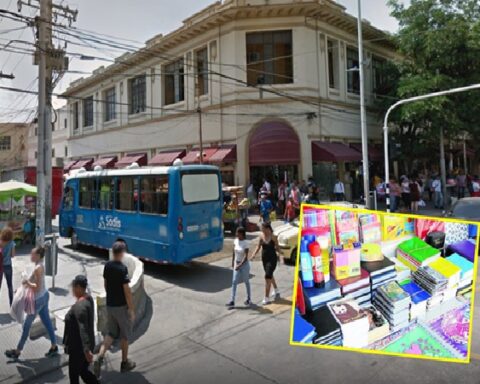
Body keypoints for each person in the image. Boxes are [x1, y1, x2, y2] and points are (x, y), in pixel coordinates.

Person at [5, 247, 58, 359]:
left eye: (33, 254)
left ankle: (18, 351)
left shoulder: (38, 268)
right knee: (47, 322)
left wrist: (27, 283)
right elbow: (33, 283)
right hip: (44, 296)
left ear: (38, 256)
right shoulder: (38, 266)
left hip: (38, 300)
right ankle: (54, 346)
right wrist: (21, 289)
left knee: (26, 325)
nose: (30, 256)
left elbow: (37, 287)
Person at [94, 242, 136, 378]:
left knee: (111, 333)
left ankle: (99, 356)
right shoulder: (122, 269)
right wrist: (131, 309)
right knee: (125, 335)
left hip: (110, 305)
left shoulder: (107, 266)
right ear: (122, 253)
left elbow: (106, 285)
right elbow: (127, 291)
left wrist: (111, 297)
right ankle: (124, 363)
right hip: (121, 307)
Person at [63, 275, 99, 384]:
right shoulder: (88, 298)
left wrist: (86, 350)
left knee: (74, 376)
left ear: (78, 287)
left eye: (73, 287)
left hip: (78, 349)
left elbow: (82, 328)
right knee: (83, 371)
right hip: (85, 346)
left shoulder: (80, 306)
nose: (72, 290)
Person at [252, 223, 282, 306]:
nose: (262, 230)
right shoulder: (261, 237)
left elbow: (277, 247)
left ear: (267, 229)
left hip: (272, 259)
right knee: (270, 275)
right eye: (261, 229)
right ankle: (276, 290)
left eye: (263, 228)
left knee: (267, 277)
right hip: (264, 259)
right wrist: (253, 254)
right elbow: (258, 247)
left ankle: (266, 298)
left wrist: (281, 254)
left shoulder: (273, 237)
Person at [226, 227, 251, 309]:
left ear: (242, 234)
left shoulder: (246, 243)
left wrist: (240, 265)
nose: (236, 234)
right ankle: (232, 301)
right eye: (236, 233)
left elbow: (246, 257)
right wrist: (233, 262)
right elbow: (234, 252)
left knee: (246, 281)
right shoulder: (236, 241)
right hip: (236, 264)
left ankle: (248, 298)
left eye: (238, 233)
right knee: (234, 281)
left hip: (244, 265)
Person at [0, 227, 15, 306]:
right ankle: (11, 304)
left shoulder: (1, 242)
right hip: (8, 265)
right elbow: (13, 255)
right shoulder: (12, 243)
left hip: (0, 266)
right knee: (10, 285)